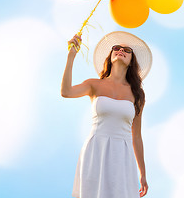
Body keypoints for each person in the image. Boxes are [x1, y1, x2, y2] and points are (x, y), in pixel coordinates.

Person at [61, 31, 152, 198]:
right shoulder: (93, 84)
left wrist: (143, 173)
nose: (121, 50)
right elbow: (66, 92)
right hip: (96, 150)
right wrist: (71, 56)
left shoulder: (137, 94)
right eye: (116, 48)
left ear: (132, 61)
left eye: (127, 50)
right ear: (110, 56)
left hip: (122, 154)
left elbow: (137, 137)